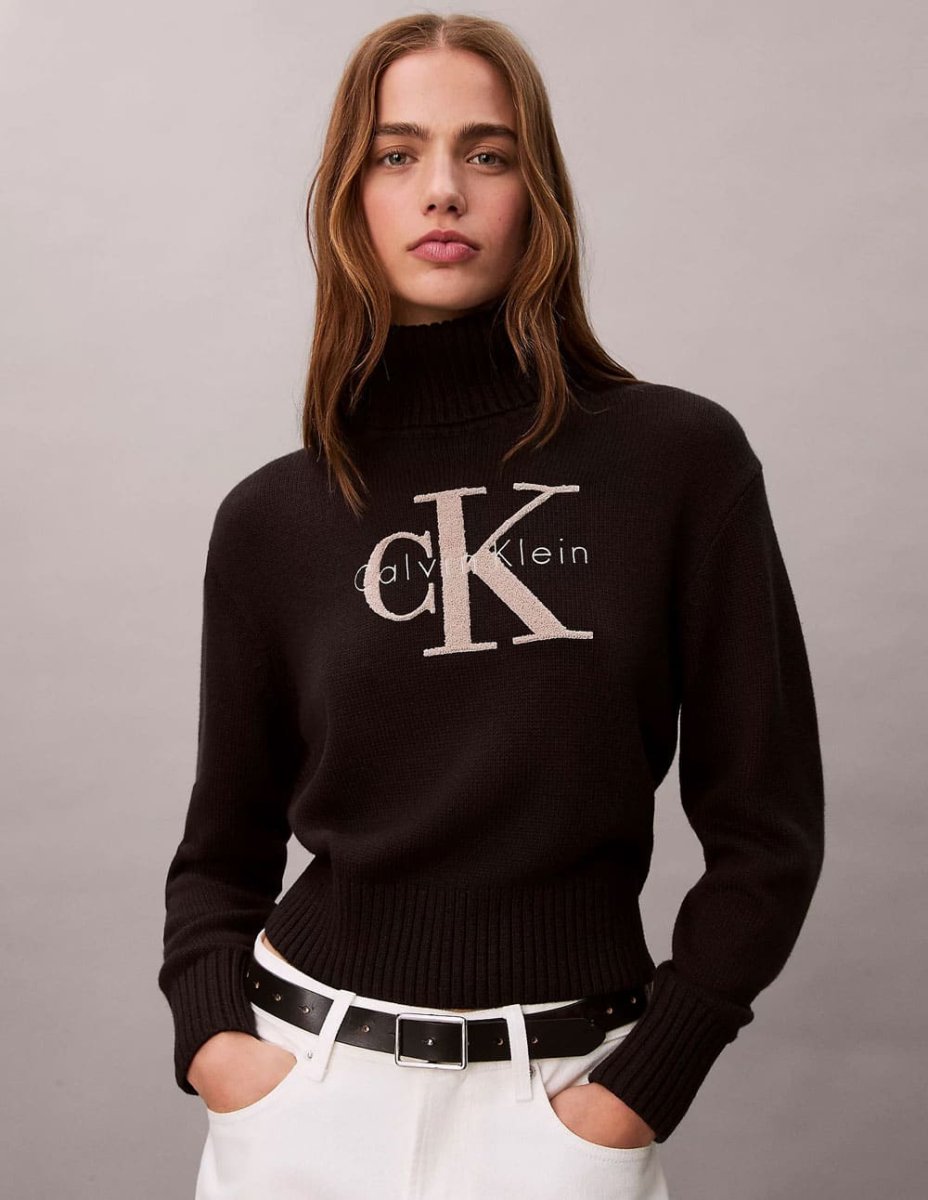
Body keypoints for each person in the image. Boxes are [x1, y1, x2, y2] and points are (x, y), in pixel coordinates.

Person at [158, 13, 825, 1200]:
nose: (443, 191)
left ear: (536, 194)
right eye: (397, 153)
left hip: (564, 1107)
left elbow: (769, 830)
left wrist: (640, 1090)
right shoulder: (272, 518)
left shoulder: (678, 461)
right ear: (350, 199)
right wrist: (220, 1050)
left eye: (487, 153)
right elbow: (219, 853)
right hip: (301, 1094)